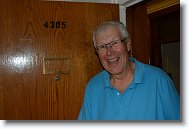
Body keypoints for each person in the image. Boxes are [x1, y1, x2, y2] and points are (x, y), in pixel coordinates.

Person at [78, 21, 180, 120]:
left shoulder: (159, 80)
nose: (109, 52)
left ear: (128, 44)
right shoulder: (93, 87)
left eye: (114, 43)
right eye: (102, 47)